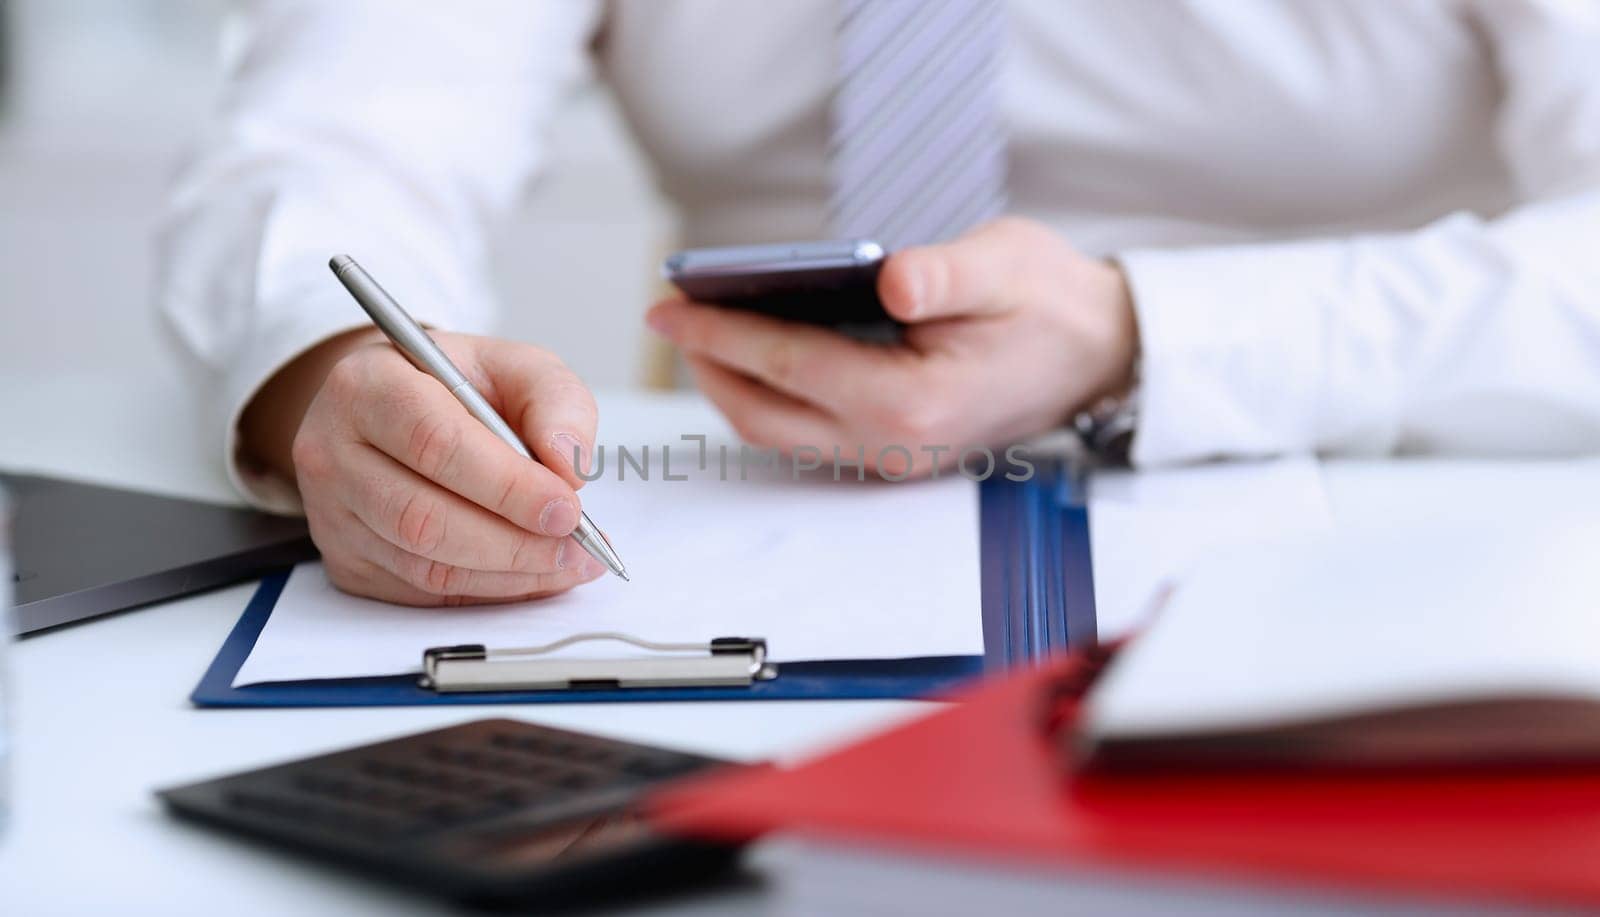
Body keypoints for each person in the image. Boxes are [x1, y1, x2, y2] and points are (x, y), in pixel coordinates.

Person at [157, 0, 1600, 606]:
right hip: (739, 560)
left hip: (1376, 540)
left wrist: (1138, 332)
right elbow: (338, 140)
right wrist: (334, 365)